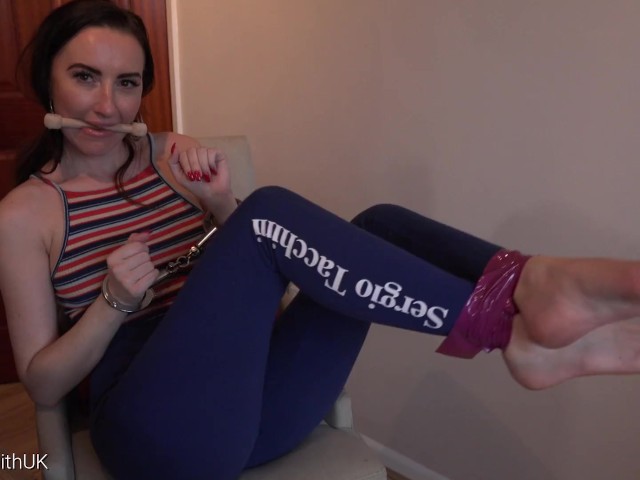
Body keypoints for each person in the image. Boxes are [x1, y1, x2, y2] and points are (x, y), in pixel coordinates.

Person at [1, 0, 639, 478]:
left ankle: (526, 285)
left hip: (257, 412)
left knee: (380, 222)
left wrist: (219, 203)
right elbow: (44, 386)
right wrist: (113, 302)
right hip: (157, 435)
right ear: (49, 82)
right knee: (268, 213)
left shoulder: (172, 157)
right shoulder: (27, 214)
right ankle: (508, 322)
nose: (107, 106)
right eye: (84, 77)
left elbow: (249, 281)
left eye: (127, 83)